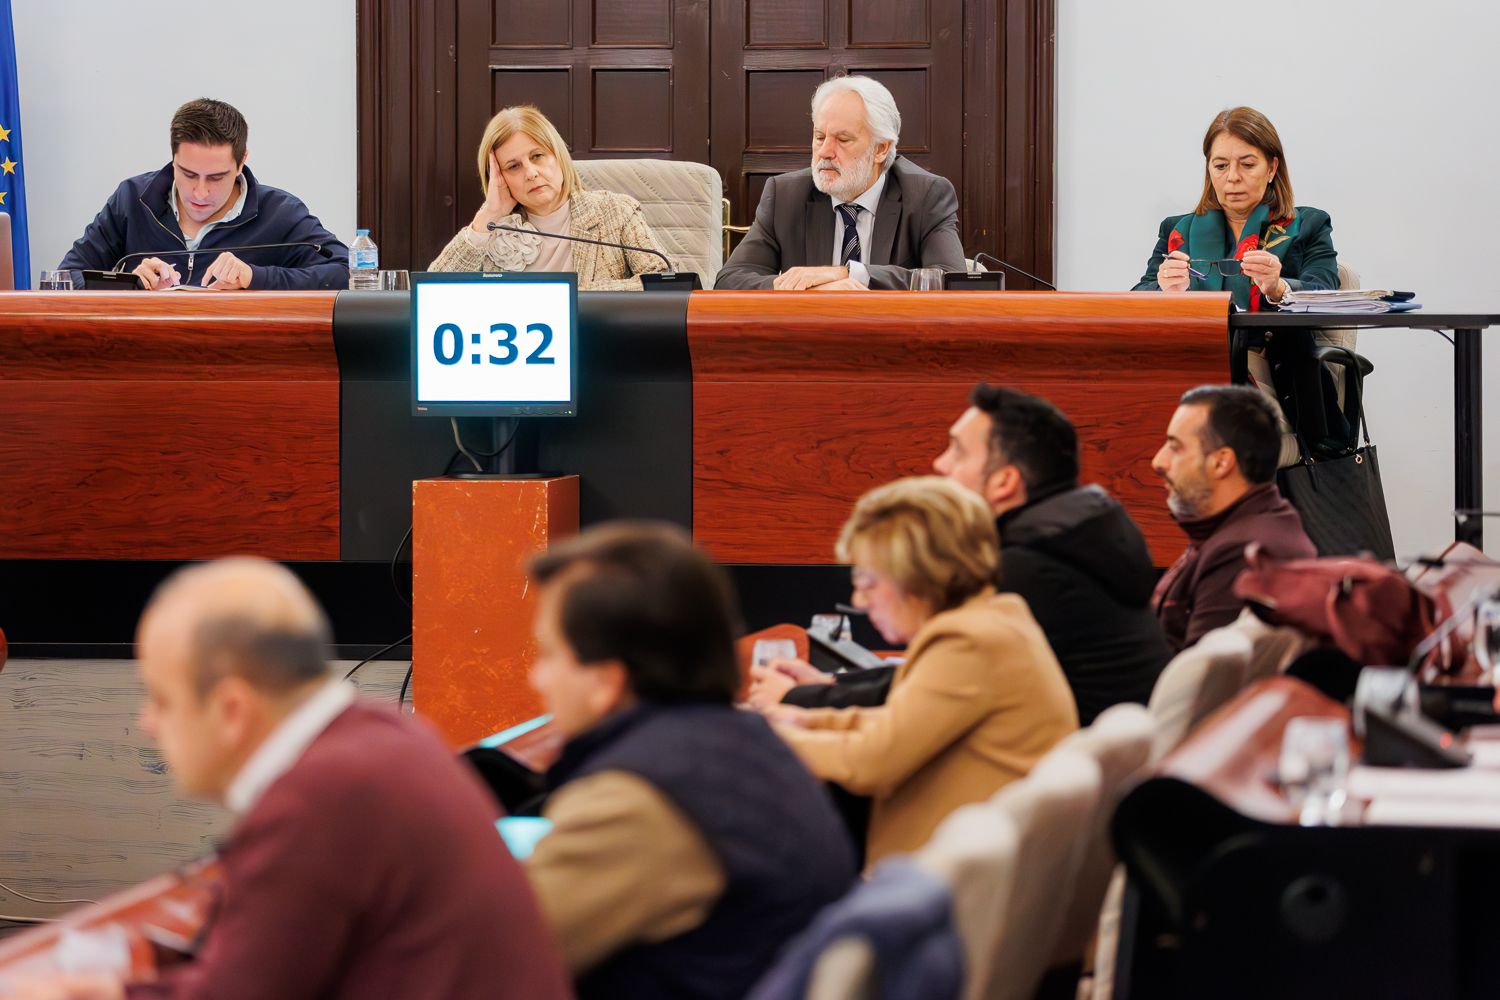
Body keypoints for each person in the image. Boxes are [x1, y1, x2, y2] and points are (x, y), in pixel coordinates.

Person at [11, 558, 570, 1000]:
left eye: (162, 698)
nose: (148, 723)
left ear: (231, 709)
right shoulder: (384, 735)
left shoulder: (317, 800)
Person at [523, 522, 855, 999]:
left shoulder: (634, 801)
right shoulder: (755, 746)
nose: (538, 678)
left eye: (550, 654)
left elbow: (485, 963)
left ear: (607, 682)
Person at [752, 384, 1171, 727]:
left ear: (1005, 481)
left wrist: (801, 698)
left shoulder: (1031, 569)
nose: (939, 464)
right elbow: (940, 673)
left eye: (957, 451)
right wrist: (827, 685)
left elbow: (931, 691)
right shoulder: (1074, 532)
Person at [760, 477, 1077, 867]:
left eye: (868, 580)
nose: (859, 600)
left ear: (916, 576)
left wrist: (768, 741)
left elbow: (873, 760)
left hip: (946, 881)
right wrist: (801, 720)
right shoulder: (996, 619)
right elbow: (898, 724)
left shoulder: (968, 640)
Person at [59, 99, 348, 291]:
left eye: (216, 177)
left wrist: (254, 277)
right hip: (142, 364)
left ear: (241, 161)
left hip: (238, 369)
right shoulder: (132, 198)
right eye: (187, 174)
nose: (200, 192)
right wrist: (129, 284)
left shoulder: (280, 212)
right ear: (173, 158)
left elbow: (349, 274)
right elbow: (64, 279)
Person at [714, 75, 964, 290]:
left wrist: (850, 273)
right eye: (819, 137)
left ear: (881, 149)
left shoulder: (926, 196)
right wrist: (807, 287)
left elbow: (950, 280)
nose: (824, 151)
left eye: (842, 140)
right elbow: (730, 279)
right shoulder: (785, 196)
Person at [428, 105, 671, 290]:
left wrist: (571, 297)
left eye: (537, 156)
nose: (531, 173)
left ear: (558, 156)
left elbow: (664, 282)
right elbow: (433, 293)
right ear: (499, 178)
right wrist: (486, 218)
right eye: (513, 166)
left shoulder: (615, 211)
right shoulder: (491, 232)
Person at [1152, 386, 1317, 651]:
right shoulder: (1248, 526)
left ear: (1221, 463)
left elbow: (1203, 685)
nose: (1158, 461)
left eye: (1175, 447)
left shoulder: (1244, 553)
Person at [1133, 106, 1337, 312]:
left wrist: (1278, 288)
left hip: (1279, 344)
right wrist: (1163, 289)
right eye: (1221, 166)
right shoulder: (1177, 230)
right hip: (1195, 343)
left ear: (1272, 168)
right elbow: (1135, 301)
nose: (1233, 177)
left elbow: (1328, 297)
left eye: (1247, 165)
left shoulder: (1309, 225)